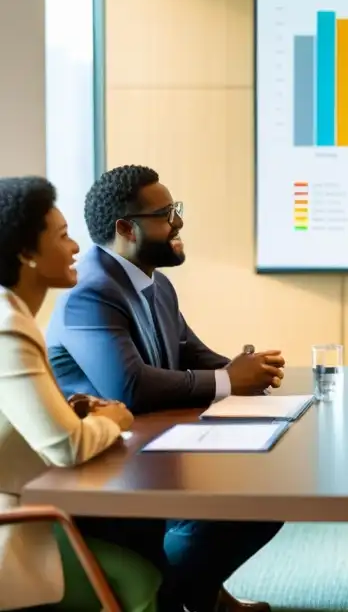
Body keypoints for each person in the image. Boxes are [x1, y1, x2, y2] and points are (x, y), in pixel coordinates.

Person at [45, 165, 283, 612]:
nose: (178, 222)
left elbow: (193, 354)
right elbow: (130, 386)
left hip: (149, 453)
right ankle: (182, 597)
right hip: (101, 473)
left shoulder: (157, 284)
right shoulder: (89, 292)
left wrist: (250, 369)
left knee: (267, 492)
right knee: (245, 507)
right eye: (166, 213)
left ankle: (201, 591)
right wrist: (232, 379)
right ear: (125, 229)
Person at [0, 176, 160, 611]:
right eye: (63, 236)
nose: (76, 249)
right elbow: (67, 447)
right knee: (142, 580)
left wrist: (71, 409)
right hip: (16, 526)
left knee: (143, 542)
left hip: (36, 504)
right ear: (25, 254)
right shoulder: (8, 329)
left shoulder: (13, 317)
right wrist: (113, 419)